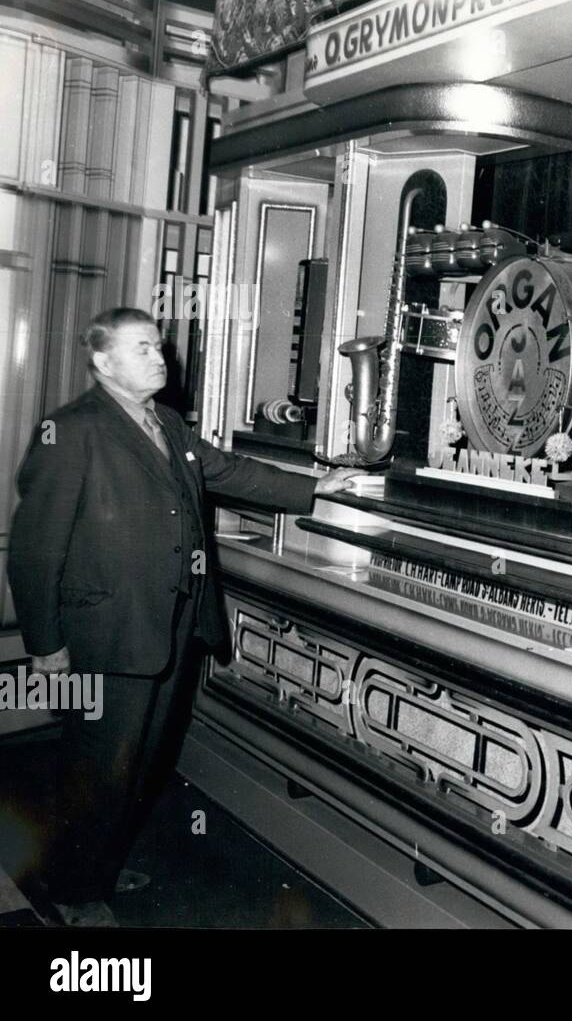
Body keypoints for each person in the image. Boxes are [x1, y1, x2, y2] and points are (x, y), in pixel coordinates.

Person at [7, 307, 363, 926]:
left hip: (169, 628)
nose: (160, 358)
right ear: (102, 361)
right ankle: (75, 892)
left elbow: (229, 471)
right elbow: (36, 550)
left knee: (139, 762)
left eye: (159, 346)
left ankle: (98, 865)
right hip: (106, 635)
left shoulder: (166, 424)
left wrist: (320, 488)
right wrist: (45, 646)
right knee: (99, 767)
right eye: (142, 347)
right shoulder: (71, 431)